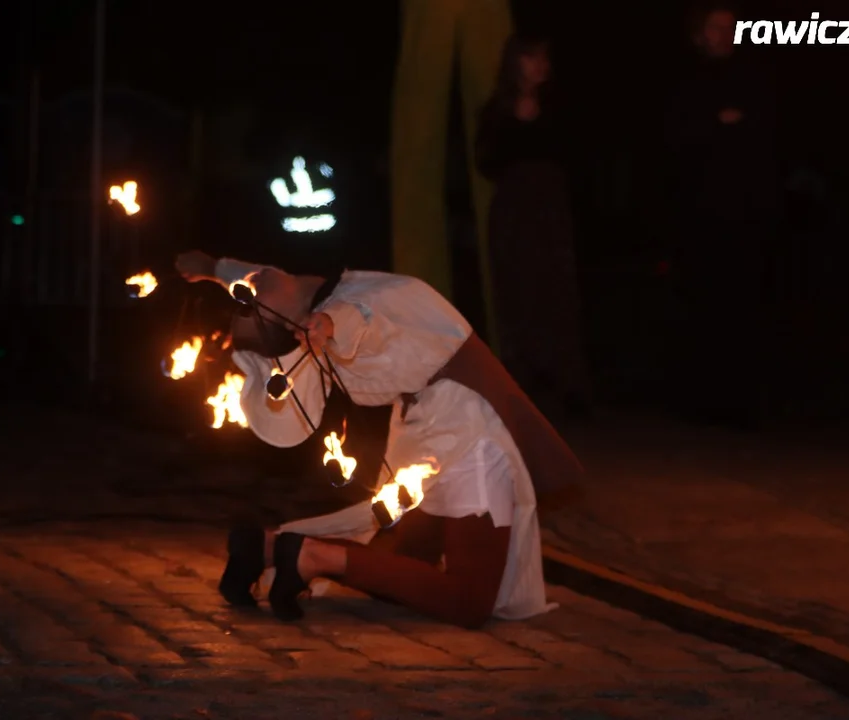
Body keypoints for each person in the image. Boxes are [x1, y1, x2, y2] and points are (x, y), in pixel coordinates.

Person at [175, 249, 583, 628]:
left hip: (428, 431)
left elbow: (261, 284)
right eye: (253, 298)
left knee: (406, 564)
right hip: (463, 437)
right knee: (468, 601)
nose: (254, 285)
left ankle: (266, 549)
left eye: (252, 288)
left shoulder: (339, 292)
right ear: (296, 327)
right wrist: (330, 325)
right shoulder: (339, 311)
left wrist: (212, 268)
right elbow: (360, 319)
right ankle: (312, 555)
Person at [662, 2, 780, 428]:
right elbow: (674, 143)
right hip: (702, 217)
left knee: (747, 305)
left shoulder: (752, 77)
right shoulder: (686, 83)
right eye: (716, 26)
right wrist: (716, 124)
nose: (725, 33)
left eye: (730, 26)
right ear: (700, 32)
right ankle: (707, 401)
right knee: (707, 306)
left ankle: (749, 401)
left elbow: (768, 136)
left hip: (748, 213)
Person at [475, 34, 590, 421]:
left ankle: (569, 388)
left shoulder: (560, 106)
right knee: (518, 294)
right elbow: (486, 162)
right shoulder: (496, 110)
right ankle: (524, 387)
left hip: (550, 210)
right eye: (531, 58)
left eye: (544, 58)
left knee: (557, 293)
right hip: (514, 212)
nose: (539, 66)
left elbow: (574, 155)